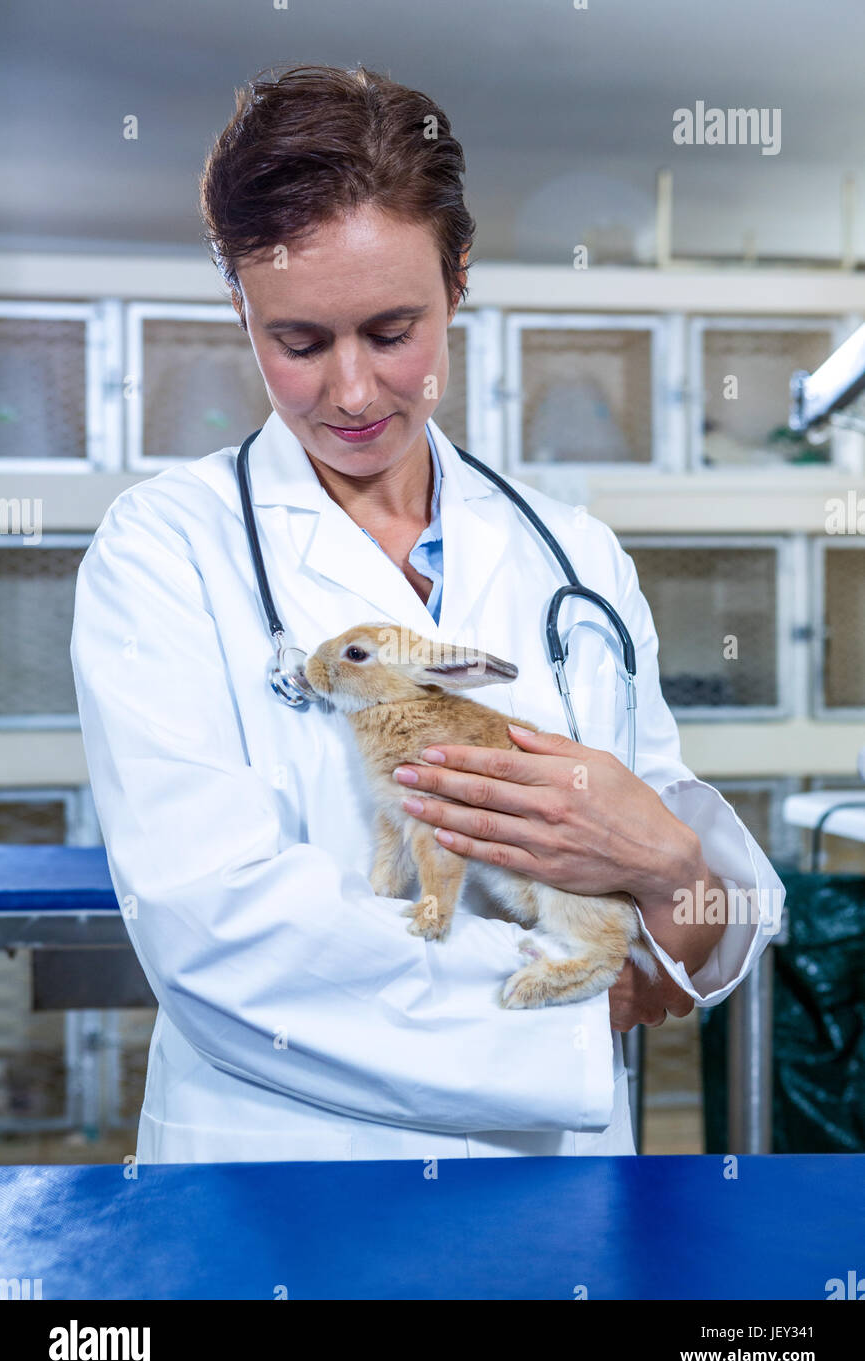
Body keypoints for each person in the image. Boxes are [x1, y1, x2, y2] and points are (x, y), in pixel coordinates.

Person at [70, 63, 784, 1163]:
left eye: (391, 330)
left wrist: (675, 876)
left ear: (457, 280)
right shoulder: (165, 550)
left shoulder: (569, 557)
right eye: (297, 342)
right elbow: (219, 933)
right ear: (239, 306)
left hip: (554, 1189)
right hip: (286, 1177)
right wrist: (582, 997)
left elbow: (698, 911)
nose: (351, 393)